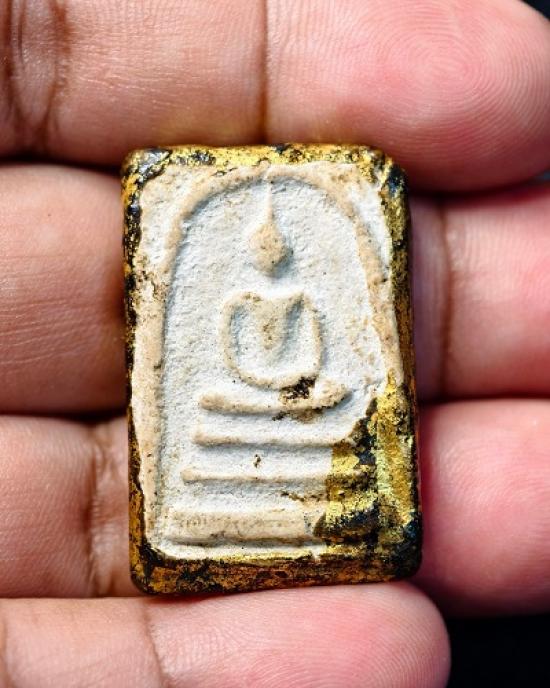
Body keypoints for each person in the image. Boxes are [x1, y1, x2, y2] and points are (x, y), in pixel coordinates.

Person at [0, 1, 549, 685]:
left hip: (294, 391)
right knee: (217, 415)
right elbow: (233, 356)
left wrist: (300, 383)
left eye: (276, 250)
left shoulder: (297, 297)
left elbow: (312, 352)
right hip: (246, 393)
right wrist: (256, 381)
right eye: (263, 249)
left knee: (338, 410)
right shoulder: (238, 300)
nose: (271, 257)